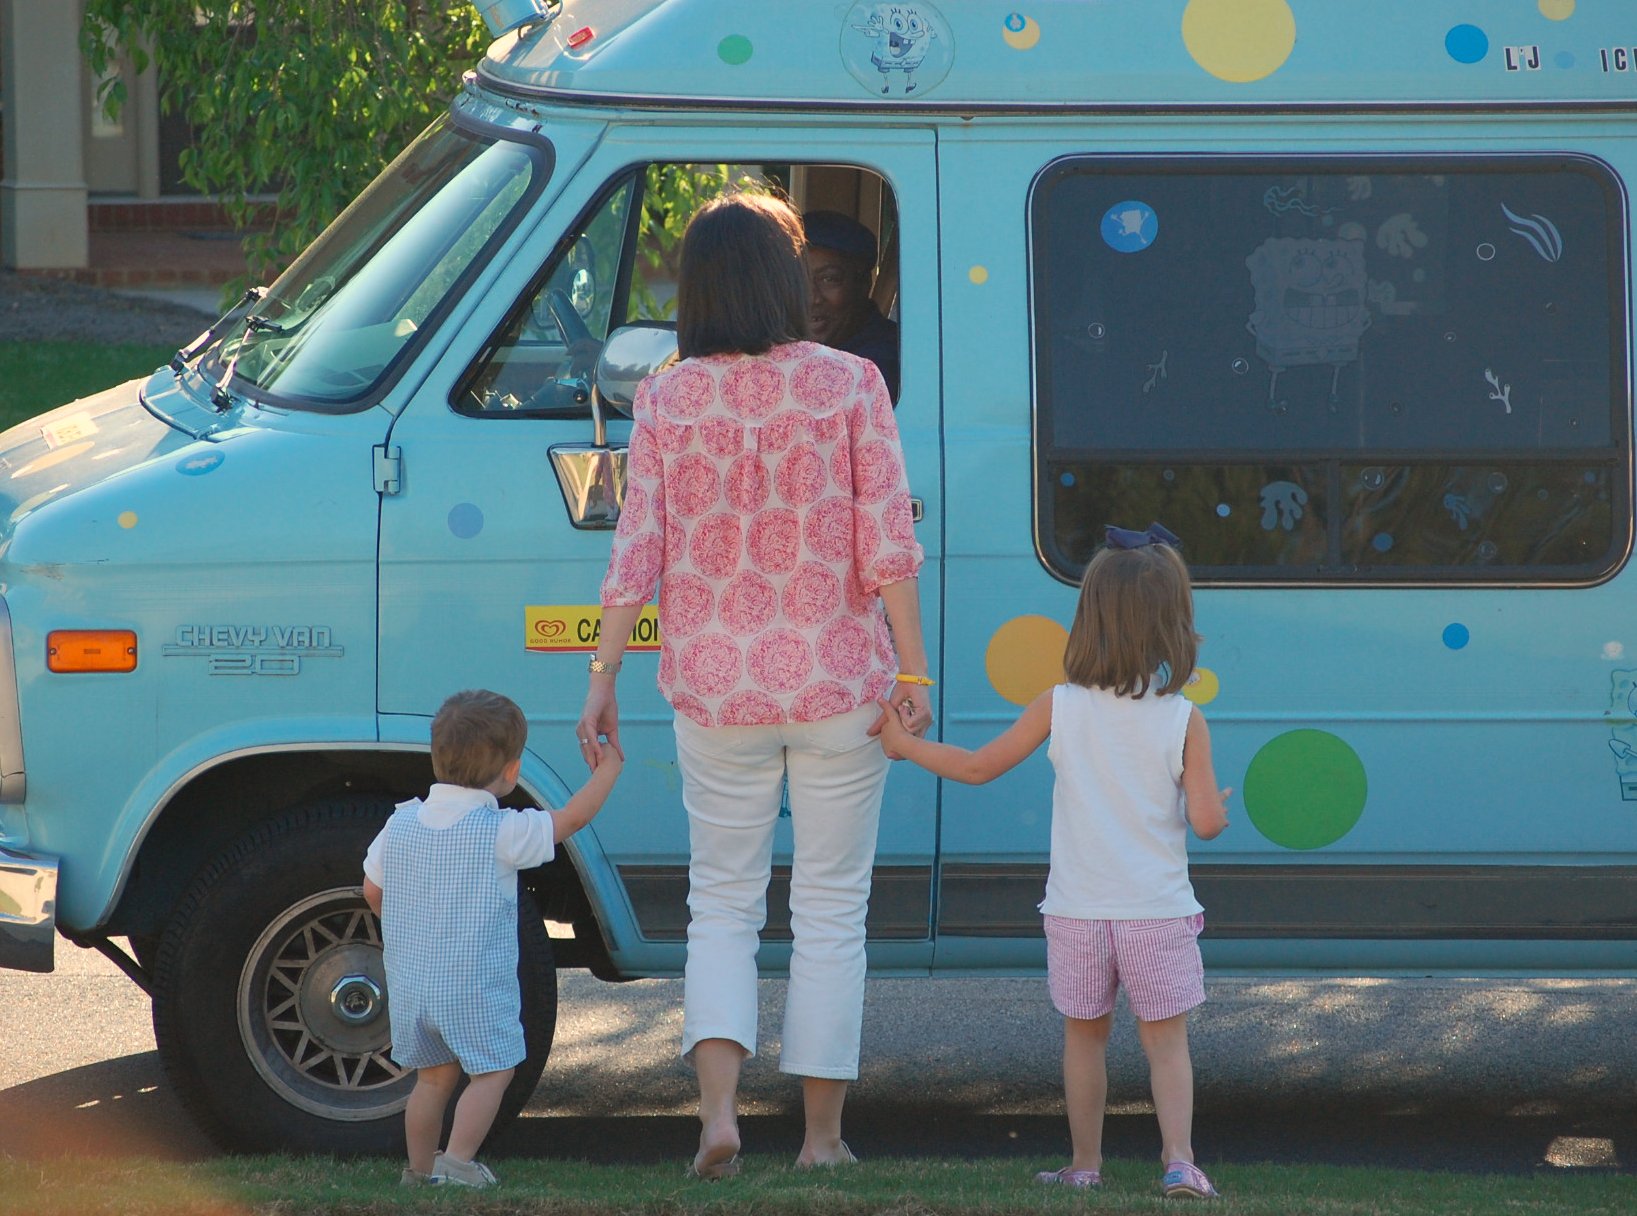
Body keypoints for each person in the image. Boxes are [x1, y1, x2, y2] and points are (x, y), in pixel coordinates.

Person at [578, 191, 931, 1177]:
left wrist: (603, 676)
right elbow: (886, 544)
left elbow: (635, 550)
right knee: (830, 911)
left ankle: (718, 1122)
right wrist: (911, 668)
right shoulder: (851, 382)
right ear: (783, 276)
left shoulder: (665, 397)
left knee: (721, 906)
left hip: (714, 691)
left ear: (693, 286)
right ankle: (821, 1138)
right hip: (838, 685)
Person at [875, 524, 1231, 1199]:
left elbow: (977, 767)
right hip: (1155, 913)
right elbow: (1207, 823)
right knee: (1166, 1045)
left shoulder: (1058, 707)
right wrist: (1217, 806)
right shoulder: (1183, 718)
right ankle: (1180, 1162)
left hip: (1077, 912)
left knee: (1084, 1040)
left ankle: (1084, 1165)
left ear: (1088, 620)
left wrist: (904, 745)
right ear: (1172, 625)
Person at [363, 689, 621, 1188]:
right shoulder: (501, 831)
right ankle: (458, 1162)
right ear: (511, 770)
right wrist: (608, 770)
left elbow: (373, 891)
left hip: (413, 985)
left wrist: (404, 926)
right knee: (494, 1071)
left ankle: (418, 1172)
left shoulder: (400, 823)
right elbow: (570, 820)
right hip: (472, 987)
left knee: (431, 1079)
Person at [802, 209, 900, 401]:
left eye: (829, 279)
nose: (811, 297)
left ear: (863, 284)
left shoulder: (883, 361)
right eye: (796, 279)